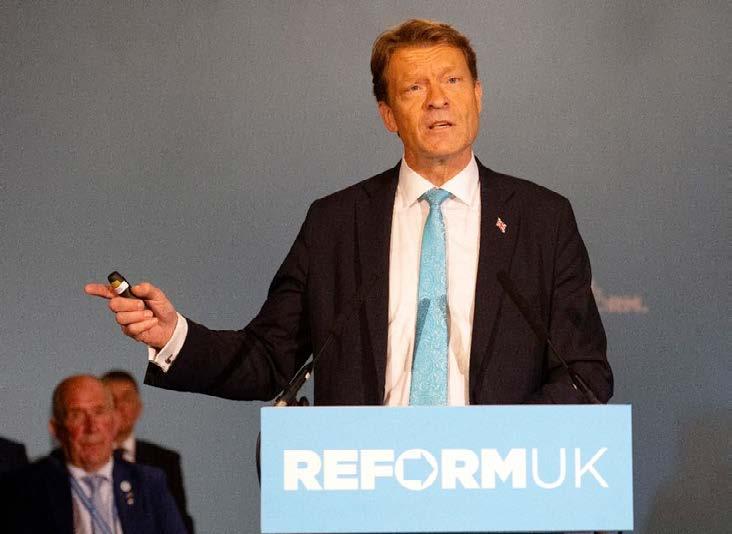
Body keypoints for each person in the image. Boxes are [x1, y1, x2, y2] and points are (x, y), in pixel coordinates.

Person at [86, 19, 612, 406]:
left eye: (452, 81)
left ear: (477, 96)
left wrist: (500, 447)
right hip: (363, 494)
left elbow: (584, 376)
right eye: (414, 87)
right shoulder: (335, 225)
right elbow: (269, 359)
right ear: (388, 115)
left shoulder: (544, 221)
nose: (437, 100)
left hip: (501, 492)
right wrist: (173, 336)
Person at [1, 375, 187, 534]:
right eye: (77, 415)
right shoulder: (27, 487)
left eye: (99, 412)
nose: (91, 427)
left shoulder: (148, 482)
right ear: (56, 429)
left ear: (114, 423)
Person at [101, 370, 195, 534]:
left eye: (126, 399)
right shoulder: (74, 458)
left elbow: (179, 522)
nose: (119, 406)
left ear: (139, 408)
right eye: (111, 399)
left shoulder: (164, 461)